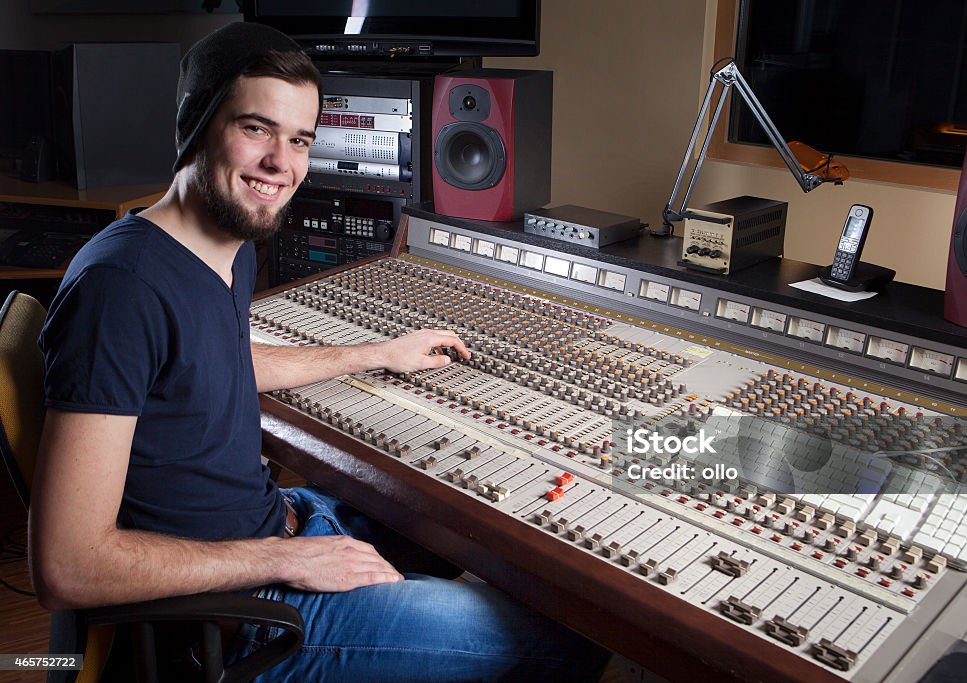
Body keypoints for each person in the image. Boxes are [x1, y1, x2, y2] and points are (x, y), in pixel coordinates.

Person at [30, 22, 608, 682]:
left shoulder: (223, 247)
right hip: (236, 620)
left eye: (299, 139)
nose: (282, 163)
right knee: (565, 638)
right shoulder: (120, 291)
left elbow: (216, 366)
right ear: (195, 125)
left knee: (500, 555)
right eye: (256, 129)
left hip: (282, 526)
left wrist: (374, 352)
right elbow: (67, 565)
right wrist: (284, 561)